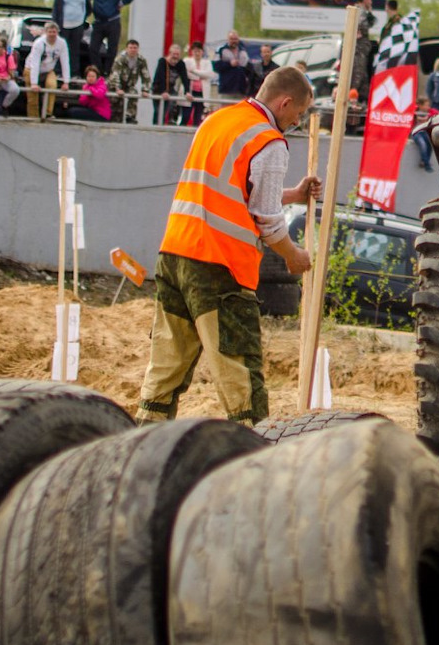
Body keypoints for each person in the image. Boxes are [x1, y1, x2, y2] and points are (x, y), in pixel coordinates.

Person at [135, 66, 319, 424]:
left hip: (175, 254)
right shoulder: (269, 141)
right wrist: (293, 256)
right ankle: (251, 457)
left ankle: (143, 442)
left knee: (165, 367)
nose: (297, 122)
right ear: (284, 102)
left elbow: (233, 191)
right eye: (298, 114)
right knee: (240, 373)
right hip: (220, 267)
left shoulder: (218, 121)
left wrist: (293, 194)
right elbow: (266, 220)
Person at [85, 0, 136, 75]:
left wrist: (122, 2)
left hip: (113, 21)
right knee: (93, 48)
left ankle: (108, 71)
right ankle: (97, 70)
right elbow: (86, 0)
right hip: (98, 21)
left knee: (112, 49)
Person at [411, 54, 439, 172]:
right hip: (436, 103)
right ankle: (426, 163)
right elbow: (429, 90)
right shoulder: (434, 76)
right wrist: (431, 101)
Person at [25, 21, 73, 119]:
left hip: (48, 70)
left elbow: (65, 62)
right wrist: (34, 83)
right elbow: (35, 63)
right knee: (33, 95)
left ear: (57, 32)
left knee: (52, 85)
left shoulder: (62, 43)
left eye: (54, 32)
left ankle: (48, 113)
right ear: (45, 32)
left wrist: (66, 81)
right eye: (50, 32)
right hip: (31, 69)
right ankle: (33, 117)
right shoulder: (39, 43)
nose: (52, 34)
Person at [51, 0, 92, 72]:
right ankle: (59, 71)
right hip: (64, 25)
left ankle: (74, 72)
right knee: (62, 48)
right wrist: (55, 23)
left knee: (75, 50)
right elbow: (56, 8)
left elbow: (88, 7)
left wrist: (83, 18)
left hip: (78, 24)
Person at [110, 38, 150, 123]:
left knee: (134, 94)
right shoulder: (120, 59)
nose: (133, 50)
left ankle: (130, 116)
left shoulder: (141, 60)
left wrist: (145, 90)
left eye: (135, 48)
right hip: (117, 84)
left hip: (130, 84)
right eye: (131, 48)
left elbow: (145, 75)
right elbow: (115, 73)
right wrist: (117, 88)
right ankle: (116, 118)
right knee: (117, 100)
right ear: (127, 49)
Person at [152, 44, 192, 125]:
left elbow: (184, 78)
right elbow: (161, 77)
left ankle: (171, 120)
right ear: (169, 53)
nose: (175, 57)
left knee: (171, 105)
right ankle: (156, 125)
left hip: (170, 88)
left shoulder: (180, 64)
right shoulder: (163, 61)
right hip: (158, 88)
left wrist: (187, 92)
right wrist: (163, 91)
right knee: (158, 110)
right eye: (174, 54)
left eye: (177, 54)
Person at [215, 31, 251, 99]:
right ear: (228, 40)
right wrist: (229, 64)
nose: (234, 41)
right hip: (226, 89)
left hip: (240, 89)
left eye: (235, 39)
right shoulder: (221, 50)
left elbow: (248, 67)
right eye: (231, 39)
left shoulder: (243, 51)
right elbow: (216, 66)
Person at [184, 41, 214, 125]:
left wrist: (194, 71)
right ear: (192, 52)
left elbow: (209, 74)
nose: (197, 53)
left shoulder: (207, 62)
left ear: (202, 52)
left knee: (198, 117)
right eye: (195, 51)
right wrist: (200, 76)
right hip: (190, 92)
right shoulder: (187, 61)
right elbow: (187, 74)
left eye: (199, 51)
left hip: (201, 93)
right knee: (186, 115)